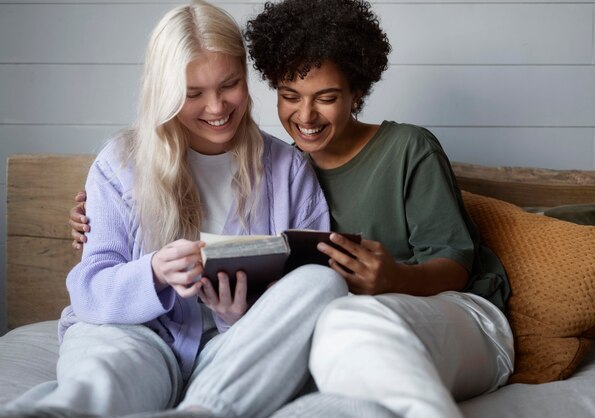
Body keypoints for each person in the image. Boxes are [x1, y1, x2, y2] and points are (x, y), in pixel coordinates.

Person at [71, 0, 515, 417]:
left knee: (332, 304)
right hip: (189, 336)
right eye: (290, 95)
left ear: (356, 91)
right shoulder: (133, 163)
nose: (306, 115)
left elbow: (449, 263)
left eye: (326, 98)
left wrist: (392, 278)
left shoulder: (344, 158)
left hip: (405, 312)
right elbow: (97, 278)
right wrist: (145, 264)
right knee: (106, 372)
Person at [2, 1, 351, 417]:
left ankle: (202, 411)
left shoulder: (288, 169)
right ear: (165, 92)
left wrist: (237, 316)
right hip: (135, 336)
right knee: (102, 377)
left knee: (322, 284)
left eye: (229, 85)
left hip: (236, 350)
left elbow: (303, 294)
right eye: (193, 94)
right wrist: (152, 272)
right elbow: (90, 290)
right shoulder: (121, 163)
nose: (217, 107)